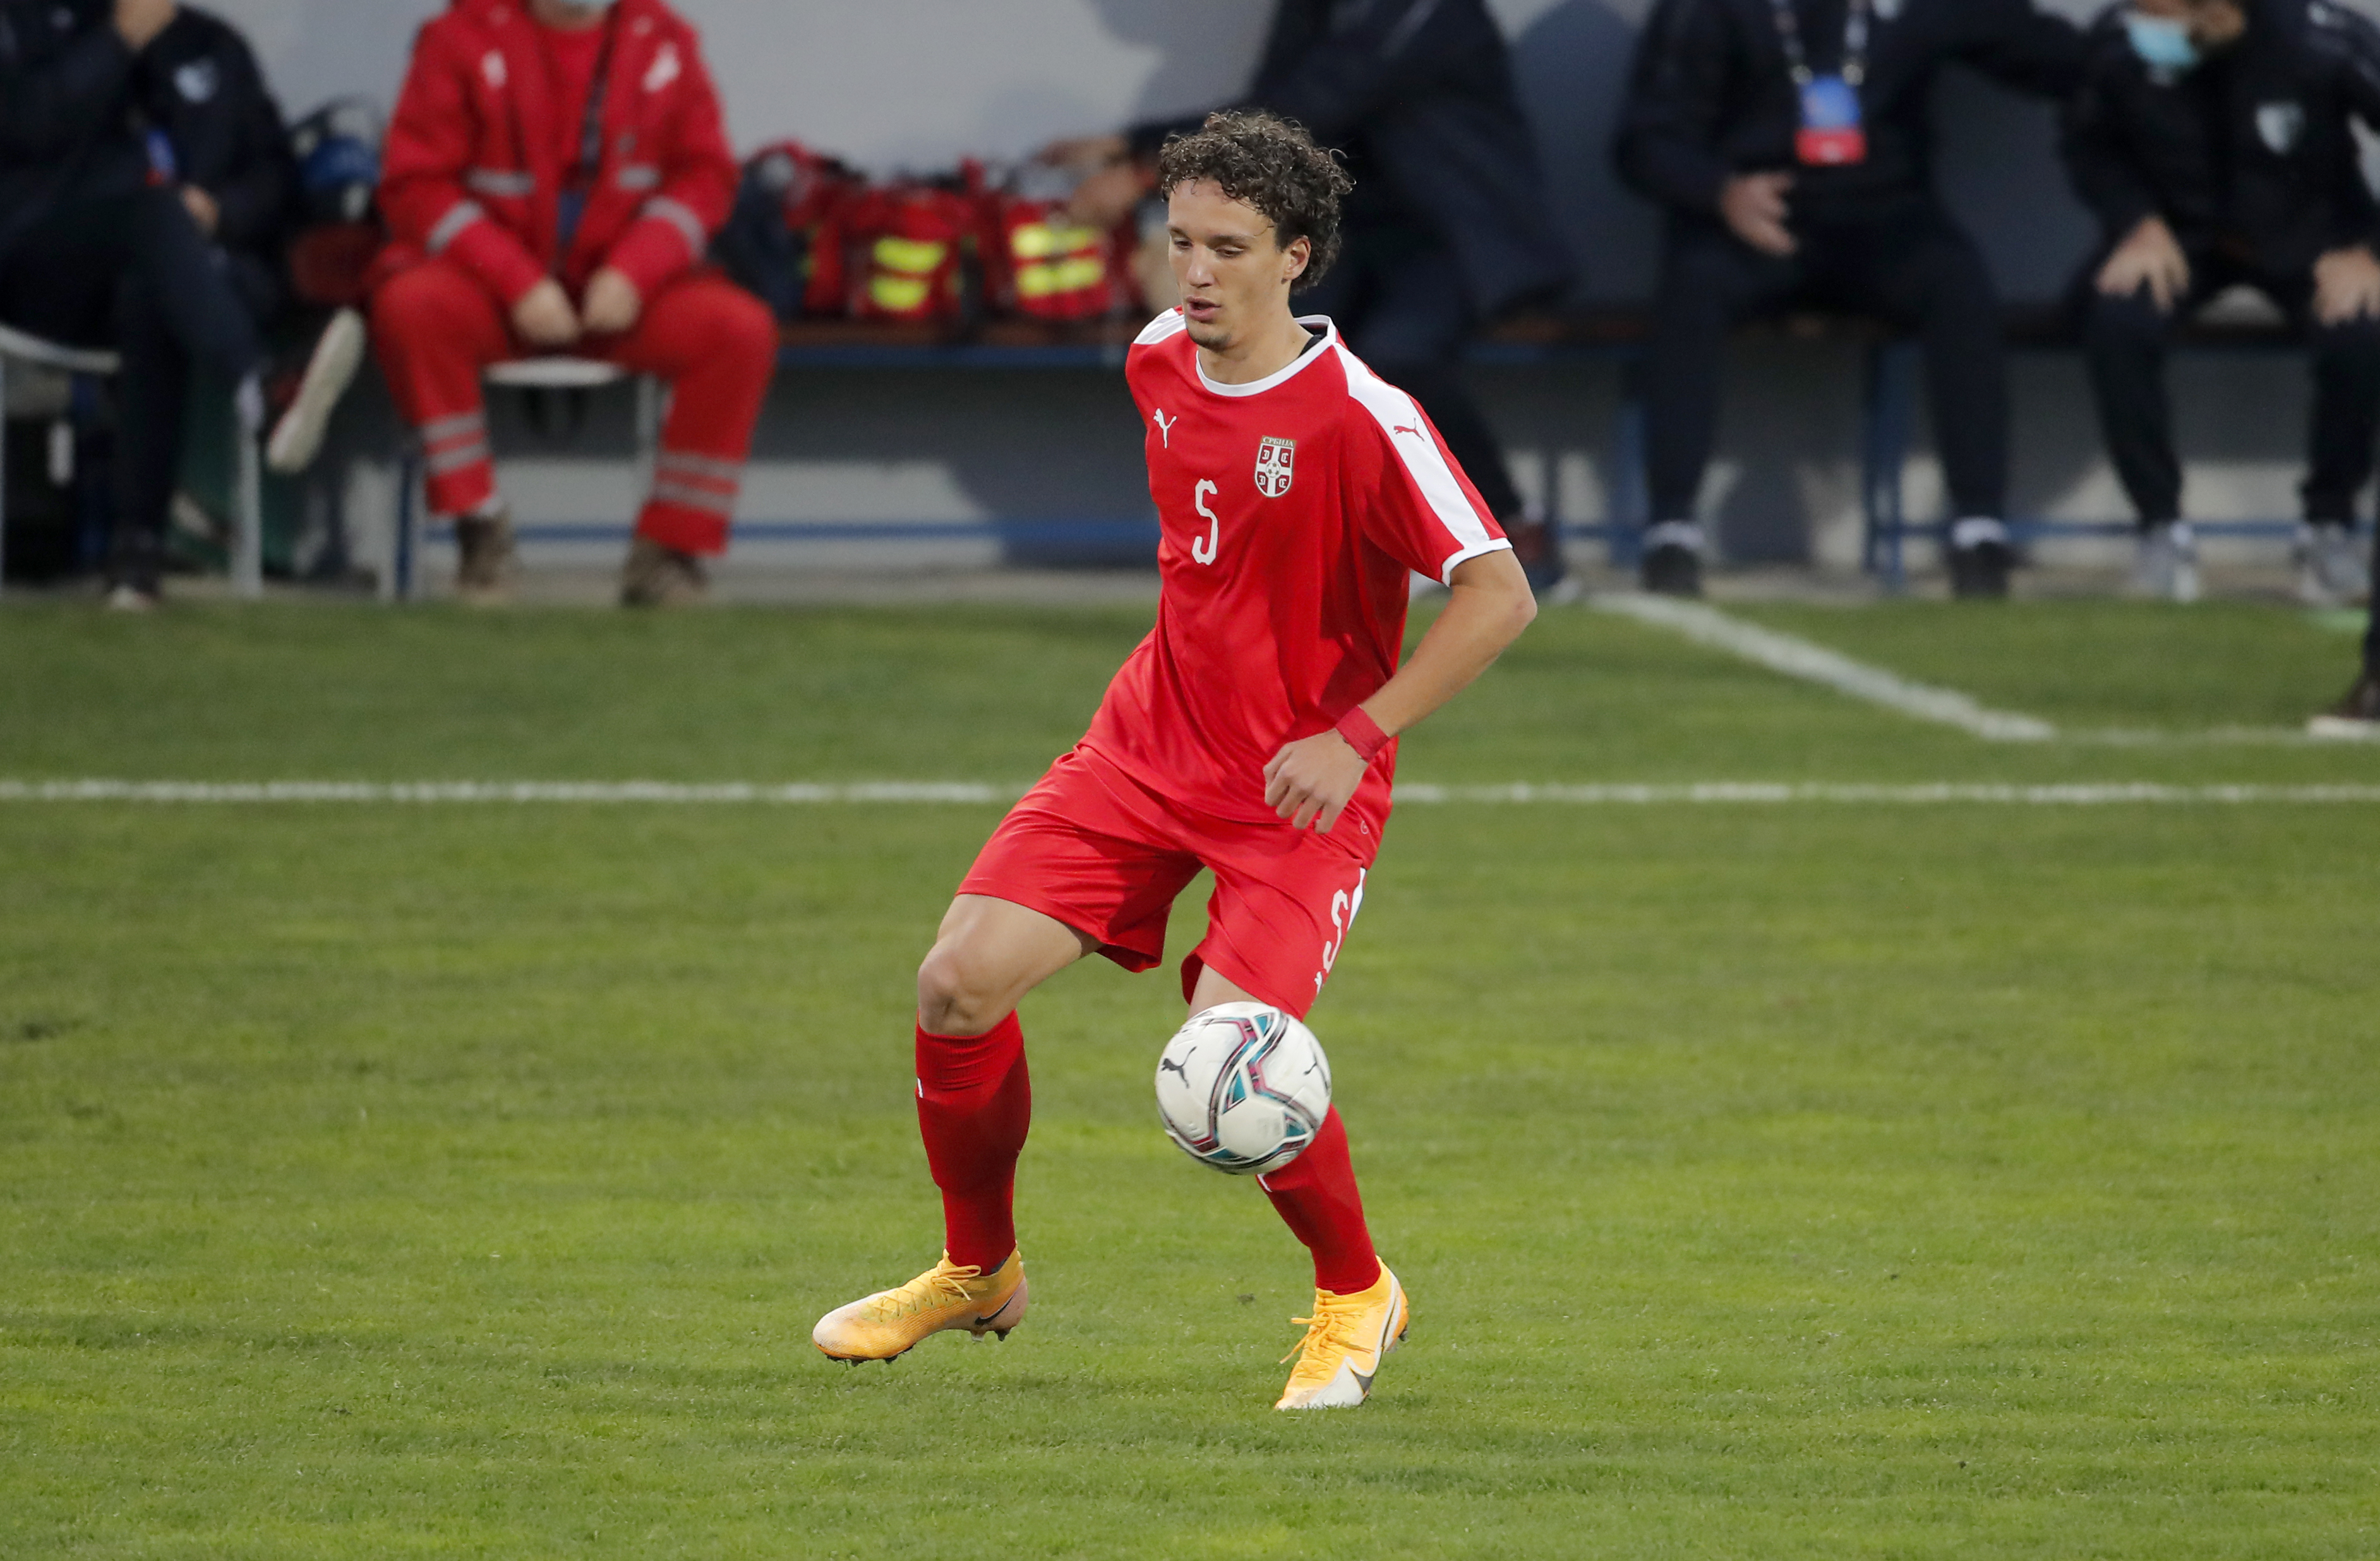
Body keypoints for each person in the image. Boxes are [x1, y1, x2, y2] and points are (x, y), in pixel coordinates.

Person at [810, 112, 1539, 1411]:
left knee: (1228, 1061)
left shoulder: (1367, 420)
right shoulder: (1155, 357)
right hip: (1146, 749)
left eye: (1229, 249)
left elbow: (1499, 594)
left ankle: (1357, 1291)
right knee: (957, 985)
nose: (1194, 274)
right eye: (1179, 243)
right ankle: (977, 1270)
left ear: (1296, 257)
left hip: (1296, 793)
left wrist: (1356, 732)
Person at [1045, 0, 1573, 589]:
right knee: (1275, 353)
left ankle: (1506, 527)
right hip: (1352, 235)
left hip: (1455, 239)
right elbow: (1277, 106)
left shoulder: (1430, 13)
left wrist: (1144, 168)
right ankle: (1300, 542)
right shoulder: (1310, 9)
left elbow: (1311, 108)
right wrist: (1130, 143)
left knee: (1401, 355)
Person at [1614, 0, 2086, 597]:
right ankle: (1672, 529)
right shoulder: (1711, 10)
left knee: (1957, 284)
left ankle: (1978, 527)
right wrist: (1719, 192)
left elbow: (2048, 56)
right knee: (1691, 291)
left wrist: (2152, 38)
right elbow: (1645, 139)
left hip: (1882, 222)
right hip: (1756, 223)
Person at [368, 0, 776, 606]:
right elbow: (415, 187)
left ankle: (667, 556)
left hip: (619, 298)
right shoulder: (460, 36)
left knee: (738, 331)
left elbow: (706, 178)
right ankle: (479, 530)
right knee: (410, 307)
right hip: (497, 296)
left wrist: (636, 271)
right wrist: (515, 279)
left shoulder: (665, 41)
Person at [2065, 0, 2380, 611]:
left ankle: (2328, 525)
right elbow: (2086, 145)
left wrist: (2371, 251)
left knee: (2362, 331)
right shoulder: (2120, 44)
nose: (2146, 22)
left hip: (2312, 241)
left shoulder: (2319, 42)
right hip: (2183, 242)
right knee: (2117, 318)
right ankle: (2161, 528)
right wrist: (2135, 221)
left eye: (2163, 10)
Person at [0, 0, 274, 607]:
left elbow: (274, 172)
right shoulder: (25, 21)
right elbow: (25, 123)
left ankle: (135, 553)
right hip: (30, 261)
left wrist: (222, 210)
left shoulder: (207, 46)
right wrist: (120, 40)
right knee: (154, 215)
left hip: (156, 271)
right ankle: (261, 386)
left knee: (150, 284)